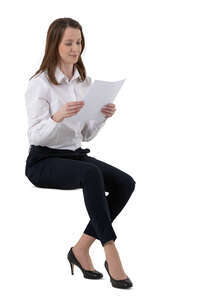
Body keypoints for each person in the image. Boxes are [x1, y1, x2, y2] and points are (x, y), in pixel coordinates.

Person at [24, 17, 135, 289]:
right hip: (43, 160)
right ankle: (110, 249)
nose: (76, 48)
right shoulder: (40, 84)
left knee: (125, 182)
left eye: (79, 42)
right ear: (55, 45)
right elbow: (35, 135)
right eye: (69, 43)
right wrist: (57, 117)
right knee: (91, 173)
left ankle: (81, 248)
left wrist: (102, 117)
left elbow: (84, 135)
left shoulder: (84, 82)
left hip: (75, 156)